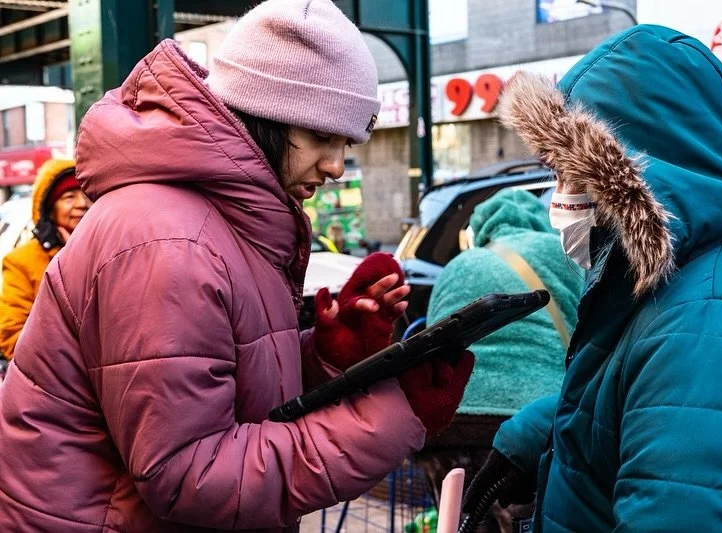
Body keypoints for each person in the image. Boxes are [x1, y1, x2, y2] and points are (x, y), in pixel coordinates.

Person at [0, 0, 474, 531]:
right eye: (322, 136)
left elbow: (217, 384)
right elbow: (190, 474)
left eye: (346, 142)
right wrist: (390, 417)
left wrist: (324, 356)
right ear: (264, 114)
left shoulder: (215, 223)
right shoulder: (170, 240)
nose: (337, 166)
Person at [463, 25, 722, 532]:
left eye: (574, 173)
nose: (560, 197)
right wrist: (536, 436)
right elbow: (645, 399)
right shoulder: (694, 275)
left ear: (634, 176)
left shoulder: (711, 324)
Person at [414, 188, 584, 532]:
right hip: (529, 422)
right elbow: (588, 341)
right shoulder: (560, 255)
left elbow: (432, 350)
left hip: (448, 426)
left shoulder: (459, 265)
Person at [0, 159, 91, 360]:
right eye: (69, 197)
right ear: (49, 210)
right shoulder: (21, 262)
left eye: (86, 195)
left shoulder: (107, 251)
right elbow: (13, 339)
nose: (82, 204)